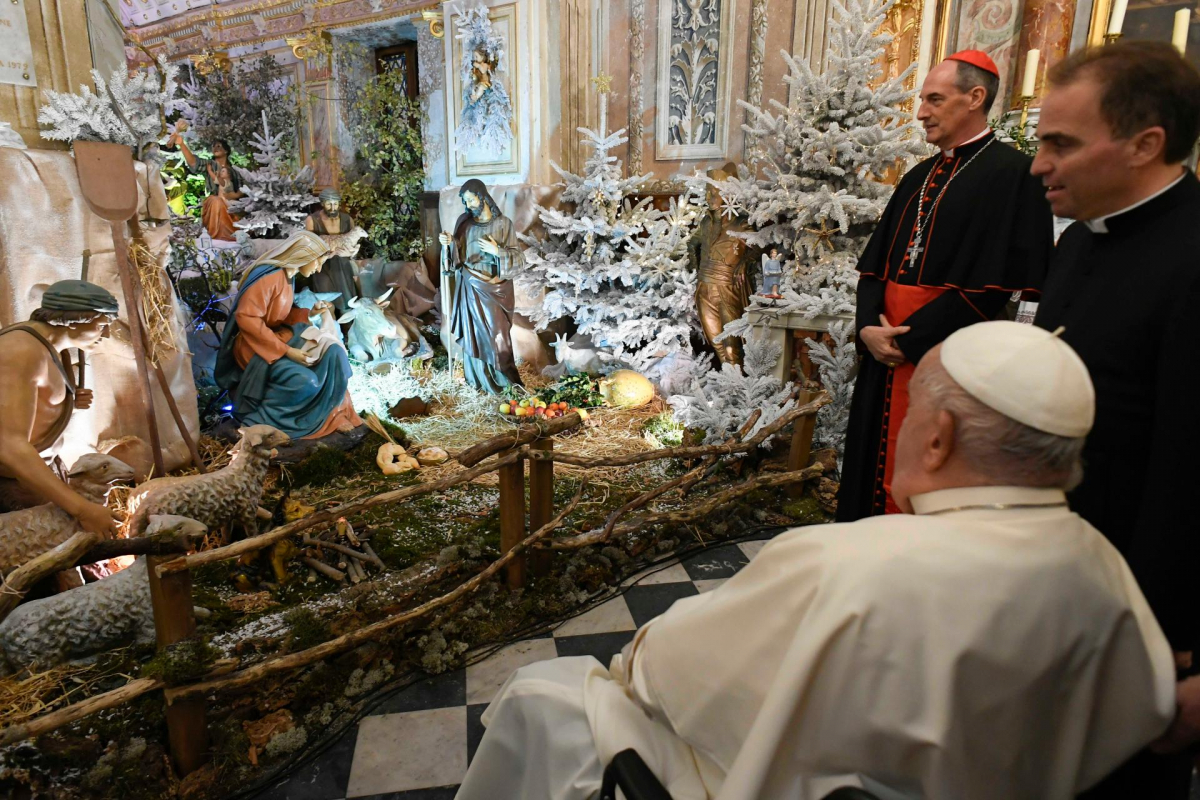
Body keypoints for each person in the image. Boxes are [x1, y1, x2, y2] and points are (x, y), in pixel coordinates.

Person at [457, 321, 1175, 800]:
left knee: (542, 696)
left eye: (915, 411)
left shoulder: (846, 564)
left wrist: (638, 658)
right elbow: (1144, 711)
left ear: (937, 438)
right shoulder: (1103, 568)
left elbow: (668, 676)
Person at [1030, 41, 1200, 799]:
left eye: (1060, 143)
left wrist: (1179, 652)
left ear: (1145, 144)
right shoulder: (1076, 245)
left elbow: (1189, 475)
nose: (1038, 164)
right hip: (1053, 598)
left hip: (1141, 624)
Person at [837, 50, 1054, 521]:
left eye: (934, 99)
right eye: (922, 100)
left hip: (949, 358)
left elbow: (998, 288)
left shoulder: (1015, 176)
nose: (921, 113)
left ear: (975, 97)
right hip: (885, 350)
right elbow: (874, 271)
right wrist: (868, 331)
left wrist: (905, 339)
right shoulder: (918, 175)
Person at [214, 231, 363, 439]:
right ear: (302, 256)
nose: (319, 269)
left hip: (280, 336)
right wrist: (287, 351)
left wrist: (310, 313)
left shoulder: (288, 276)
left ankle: (335, 415)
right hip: (256, 346)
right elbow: (246, 318)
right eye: (317, 262)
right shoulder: (269, 278)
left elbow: (279, 315)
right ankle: (262, 422)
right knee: (303, 380)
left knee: (335, 354)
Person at [0, 281, 119, 534]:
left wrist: (68, 404)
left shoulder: (51, 347)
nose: (105, 334)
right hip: (13, 484)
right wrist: (83, 509)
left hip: (38, 474)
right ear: (74, 321)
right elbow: (10, 446)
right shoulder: (21, 351)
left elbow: (30, 407)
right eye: (101, 325)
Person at [439, 180, 524, 394]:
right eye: (465, 201)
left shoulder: (504, 224)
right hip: (469, 285)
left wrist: (498, 252)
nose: (467, 205)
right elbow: (455, 259)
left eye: (470, 199)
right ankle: (478, 381)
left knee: (498, 336)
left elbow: (519, 260)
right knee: (473, 334)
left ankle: (506, 384)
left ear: (482, 196)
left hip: (495, 289)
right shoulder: (464, 223)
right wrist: (448, 243)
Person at [694, 163, 752, 365]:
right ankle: (727, 381)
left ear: (728, 195)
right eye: (707, 192)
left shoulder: (742, 224)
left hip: (728, 290)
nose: (710, 198)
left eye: (715, 193)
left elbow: (760, 248)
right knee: (715, 341)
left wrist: (744, 262)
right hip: (704, 289)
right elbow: (694, 246)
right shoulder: (706, 223)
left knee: (732, 343)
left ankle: (738, 386)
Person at [167, 125, 244, 241]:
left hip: (231, 201)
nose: (215, 148)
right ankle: (216, 237)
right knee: (216, 201)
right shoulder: (210, 165)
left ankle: (233, 235)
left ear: (226, 150)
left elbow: (242, 189)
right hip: (214, 199)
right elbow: (193, 163)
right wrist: (182, 145)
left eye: (219, 146)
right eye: (213, 146)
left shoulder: (235, 171)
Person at [299, 188, 359, 317]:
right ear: (322, 203)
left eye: (335, 204)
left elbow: (354, 243)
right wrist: (326, 255)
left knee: (347, 300)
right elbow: (310, 244)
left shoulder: (347, 220)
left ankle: (349, 329)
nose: (333, 207)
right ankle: (330, 330)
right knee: (325, 299)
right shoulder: (312, 220)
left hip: (343, 266)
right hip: (323, 265)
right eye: (328, 204)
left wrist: (350, 253)